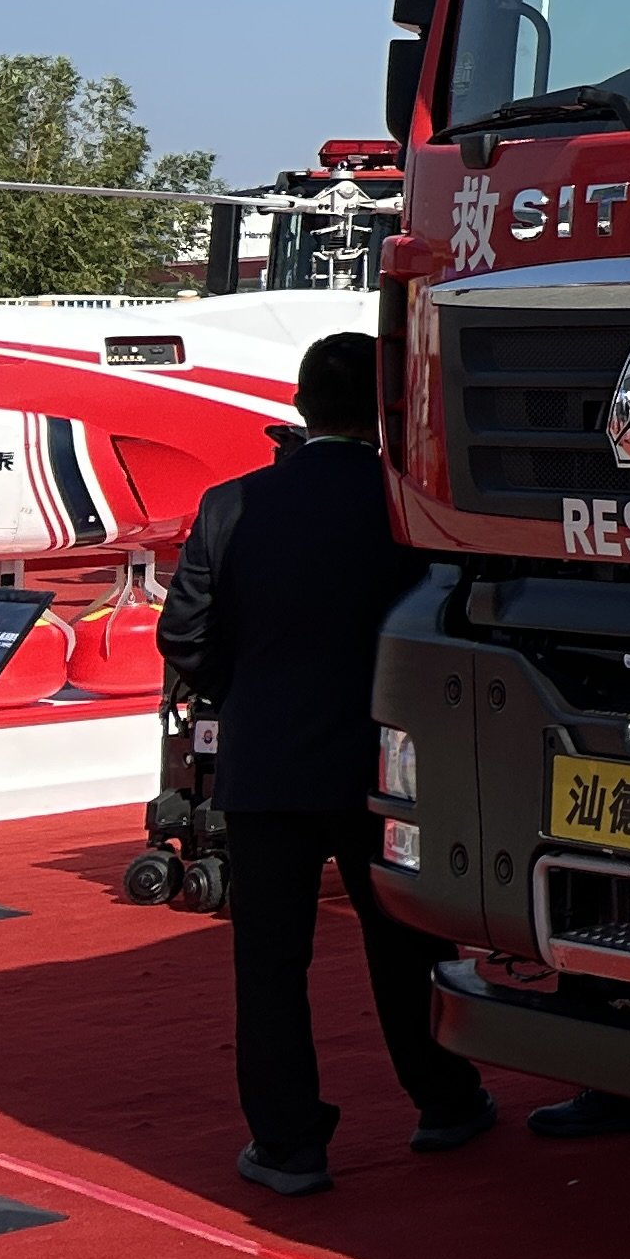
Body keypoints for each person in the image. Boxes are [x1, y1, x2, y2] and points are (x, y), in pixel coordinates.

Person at [160, 334, 492, 1195]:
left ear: (300, 404)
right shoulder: (412, 504)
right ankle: (444, 1097)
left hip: (267, 761)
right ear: (383, 406)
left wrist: (249, 695)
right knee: (408, 940)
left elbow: (184, 635)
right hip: (387, 761)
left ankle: (288, 1142)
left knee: (271, 962)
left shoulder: (231, 504)